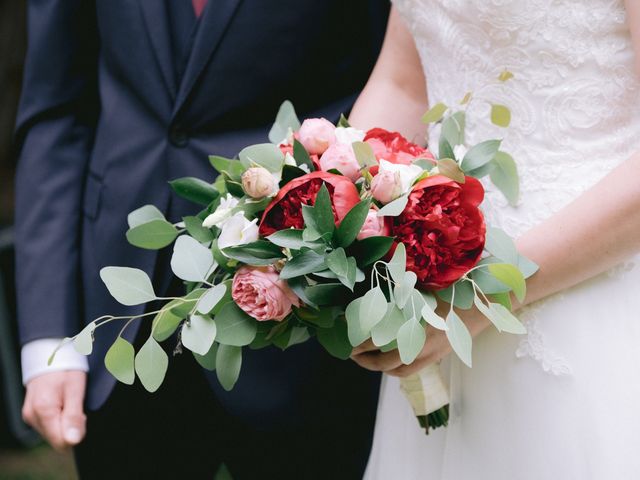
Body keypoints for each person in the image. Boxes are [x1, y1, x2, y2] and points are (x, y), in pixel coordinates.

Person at [14, 1, 388, 478]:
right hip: (118, 317)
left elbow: (396, 83)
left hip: (304, 318)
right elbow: (56, 112)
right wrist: (50, 338)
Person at [349, 2, 640, 479]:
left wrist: (480, 299)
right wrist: (346, 216)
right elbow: (403, 82)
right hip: (430, 282)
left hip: (584, 283)